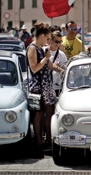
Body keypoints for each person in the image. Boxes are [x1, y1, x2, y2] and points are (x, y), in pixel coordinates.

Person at [26, 23, 65, 152]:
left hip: (46, 86)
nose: (49, 41)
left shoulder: (41, 49)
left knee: (47, 113)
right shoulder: (32, 48)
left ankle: (47, 139)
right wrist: (46, 58)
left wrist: (62, 70)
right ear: (41, 36)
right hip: (37, 87)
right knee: (38, 114)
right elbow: (34, 68)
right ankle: (38, 142)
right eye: (47, 38)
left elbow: (49, 65)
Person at [45, 31, 67, 97]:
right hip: (46, 86)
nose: (58, 44)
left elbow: (66, 70)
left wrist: (62, 68)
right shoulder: (44, 51)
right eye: (56, 41)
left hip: (57, 87)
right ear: (51, 40)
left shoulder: (62, 55)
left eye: (60, 42)